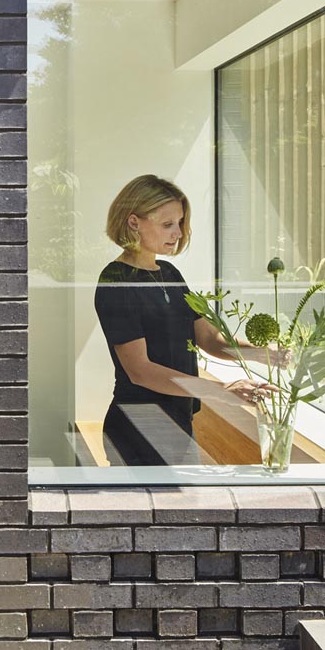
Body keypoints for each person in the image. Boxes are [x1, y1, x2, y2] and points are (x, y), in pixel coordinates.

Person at [94, 174, 276, 468]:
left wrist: (265, 352)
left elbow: (210, 340)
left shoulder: (169, 273)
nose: (178, 233)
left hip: (179, 423)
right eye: (168, 224)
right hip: (139, 424)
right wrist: (221, 392)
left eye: (179, 223)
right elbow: (140, 371)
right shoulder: (116, 280)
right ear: (133, 222)